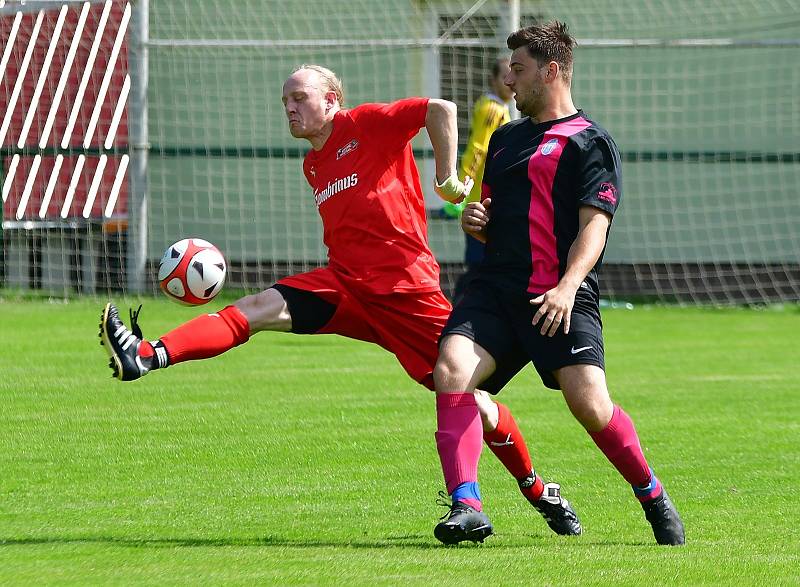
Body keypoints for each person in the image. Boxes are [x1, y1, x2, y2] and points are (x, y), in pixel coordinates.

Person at [98, 64, 579, 538]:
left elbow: (441, 108)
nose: (289, 108)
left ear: (332, 100)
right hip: (345, 284)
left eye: (299, 98)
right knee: (259, 307)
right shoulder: (313, 163)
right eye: (284, 101)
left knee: (471, 401)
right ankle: (145, 354)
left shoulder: (364, 123)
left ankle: (537, 490)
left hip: (403, 291)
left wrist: (445, 177)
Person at [431, 22, 686, 546]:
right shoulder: (504, 137)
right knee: (451, 372)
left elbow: (595, 226)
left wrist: (569, 286)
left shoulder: (591, 142)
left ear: (551, 72)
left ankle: (651, 492)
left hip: (556, 293)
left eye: (518, 71)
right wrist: (475, 217)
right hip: (494, 290)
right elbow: (492, 208)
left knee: (589, 404)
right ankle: (467, 505)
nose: (510, 82)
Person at [443, 58, 513, 302]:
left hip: (489, 195)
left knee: (486, 259)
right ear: (493, 80)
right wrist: (461, 191)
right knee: (481, 261)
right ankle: (461, 307)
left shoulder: (499, 108)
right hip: (480, 199)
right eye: (504, 75)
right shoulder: (493, 110)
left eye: (513, 73)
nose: (509, 81)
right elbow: (478, 150)